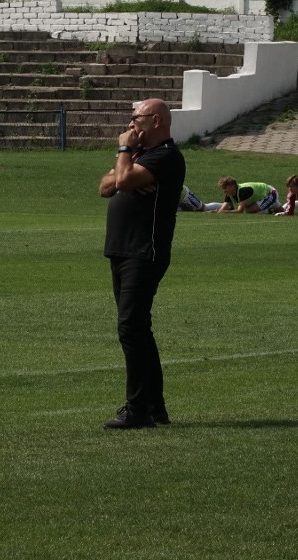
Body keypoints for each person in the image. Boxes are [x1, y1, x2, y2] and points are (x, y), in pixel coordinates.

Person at [98, 98, 185, 429]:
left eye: (137, 118)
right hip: (122, 251)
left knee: (131, 327)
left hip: (143, 251)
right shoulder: (139, 158)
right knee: (138, 329)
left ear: (157, 122)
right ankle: (155, 407)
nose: (131, 124)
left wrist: (123, 156)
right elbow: (105, 187)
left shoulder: (166, 156)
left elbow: (119, 182)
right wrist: (128, 169)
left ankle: (137, 409)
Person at [209, 176, 281, 214]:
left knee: (248, 211)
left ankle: (270, 208)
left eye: (225, 188)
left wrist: (226, 212)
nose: (224, 191)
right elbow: (225, 206)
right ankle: (274, 205)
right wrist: (217, 212)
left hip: (271, 193)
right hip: (263, 195)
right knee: (282, 212)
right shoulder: (230, 193)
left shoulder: (242, 191)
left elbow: (240, 211)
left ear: (232, 186)